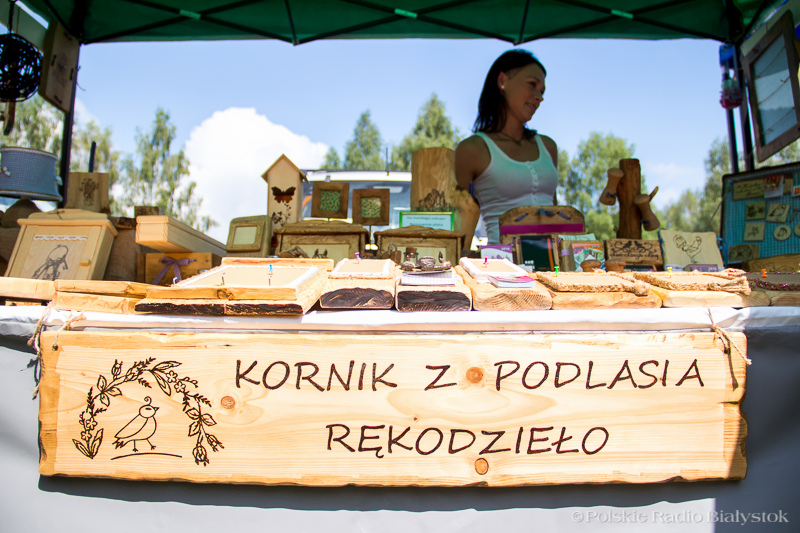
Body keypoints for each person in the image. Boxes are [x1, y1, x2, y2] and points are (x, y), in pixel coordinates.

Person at [455, 49, 558, 244]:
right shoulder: (473, 149)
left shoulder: (548, 146)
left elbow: (556, 211)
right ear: (502, 81)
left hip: (554, 259)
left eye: (542, 91)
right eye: (532, 84)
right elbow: (456, 223)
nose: (539, 97)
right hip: (502, 260)